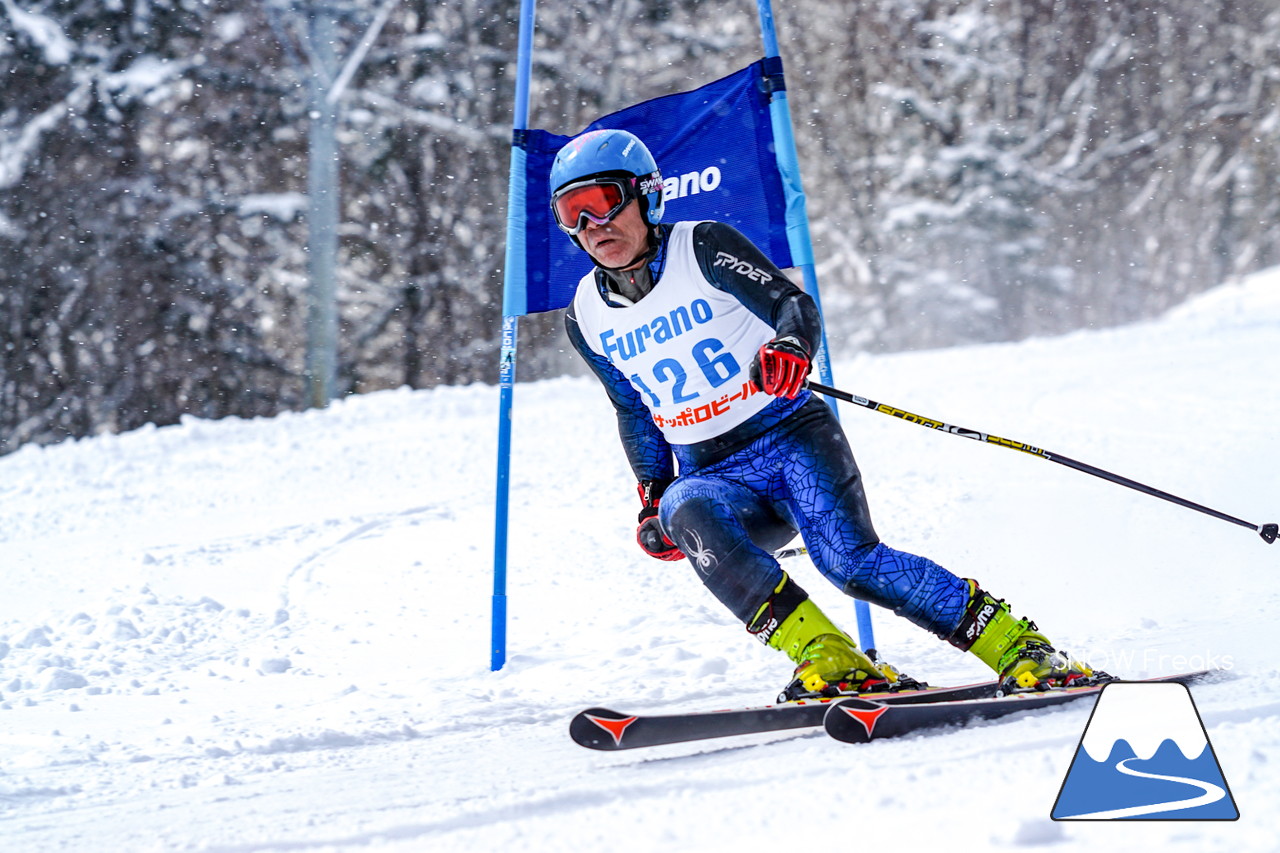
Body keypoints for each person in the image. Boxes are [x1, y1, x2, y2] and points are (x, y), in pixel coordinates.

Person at [552, 128, 1099, 697]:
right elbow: (632, 410)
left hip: (790, 441)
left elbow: (792, 305)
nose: (593, 225)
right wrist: (650, 497)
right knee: (681, 506)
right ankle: (831, 658)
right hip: (710, 475)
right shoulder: (585, 316)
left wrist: (790, 347)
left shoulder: (703, 247)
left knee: (849, 563)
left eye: (603, 202)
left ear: (646, 194)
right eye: (572, 212)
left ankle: (1019, 647)